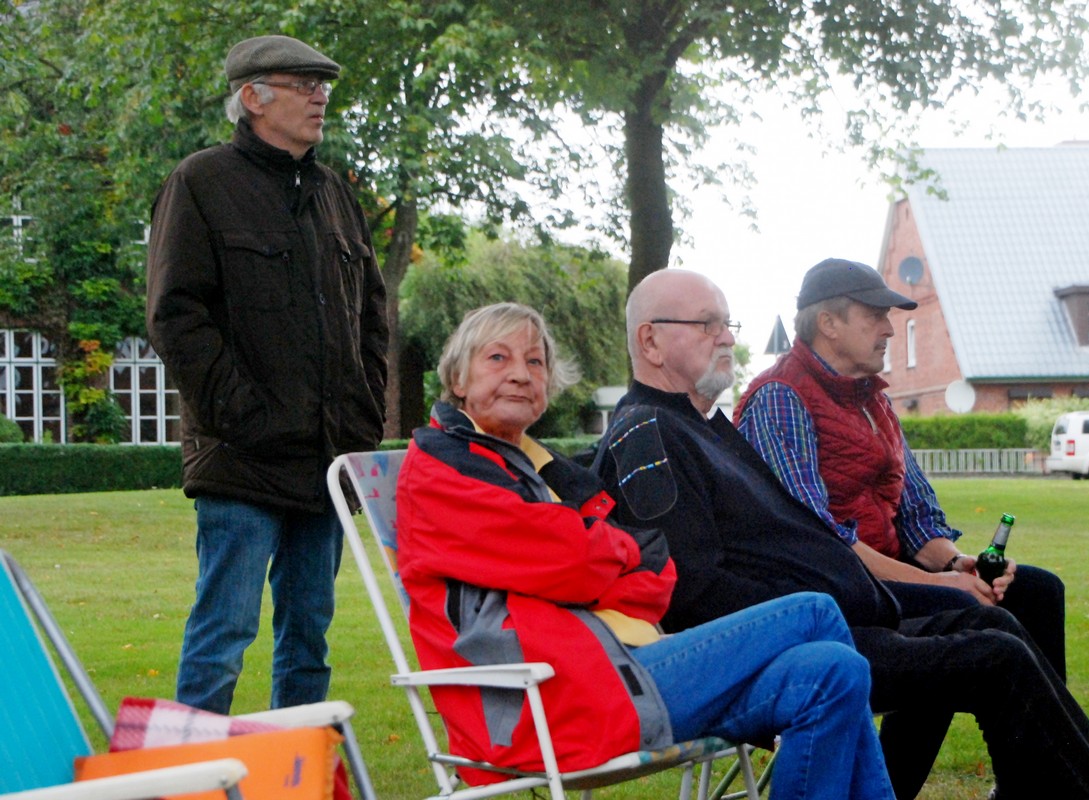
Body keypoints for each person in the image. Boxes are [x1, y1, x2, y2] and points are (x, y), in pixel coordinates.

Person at [595, 269, 1089, 800]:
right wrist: (820, 610)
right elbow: (693, 592)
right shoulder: (650, 434)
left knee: (994, 621)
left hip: (837, 617)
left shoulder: (704, 426)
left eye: (727, 323)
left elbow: (807, 535)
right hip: (788, 650)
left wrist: (913, 582)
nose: (728, 337)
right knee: (993, 657)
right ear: (650, 340)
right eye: (707, 324)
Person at [397, 302, 894, 799]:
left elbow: (655, 573)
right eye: (498, 359)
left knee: (835, 670)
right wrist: (600, 558)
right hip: (553, 703)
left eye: (535, 362)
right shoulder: (444, 471)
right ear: (458, 379)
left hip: (624, 669)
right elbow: (576, 560)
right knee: (814, 612)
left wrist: (596, 561)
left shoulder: (542, 471)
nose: (522, 375)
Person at [146, 35, 388, 713]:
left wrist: (363, 413)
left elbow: (371, 314)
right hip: (241, 462)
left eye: (324, 86)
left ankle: (300, 775)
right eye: (303, 83)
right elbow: (174, 317)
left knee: (309, 638)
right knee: (223, 633)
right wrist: (244, 417)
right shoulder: (199, 183)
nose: (319, 97)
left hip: (327, 461)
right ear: (252, 97)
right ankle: (185, 784)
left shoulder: (336, 193)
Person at [734, 258, 1067, 678]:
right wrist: (936, 585)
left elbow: (916, 514)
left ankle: (1048, 744)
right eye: (875, 316)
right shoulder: (780, 398)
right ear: (828, 323)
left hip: (889, 576)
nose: (889, 329)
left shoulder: (874, 400)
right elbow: (820, 541)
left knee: (1038, 591)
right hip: (834, 590)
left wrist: (956, 564)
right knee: (965, 613)